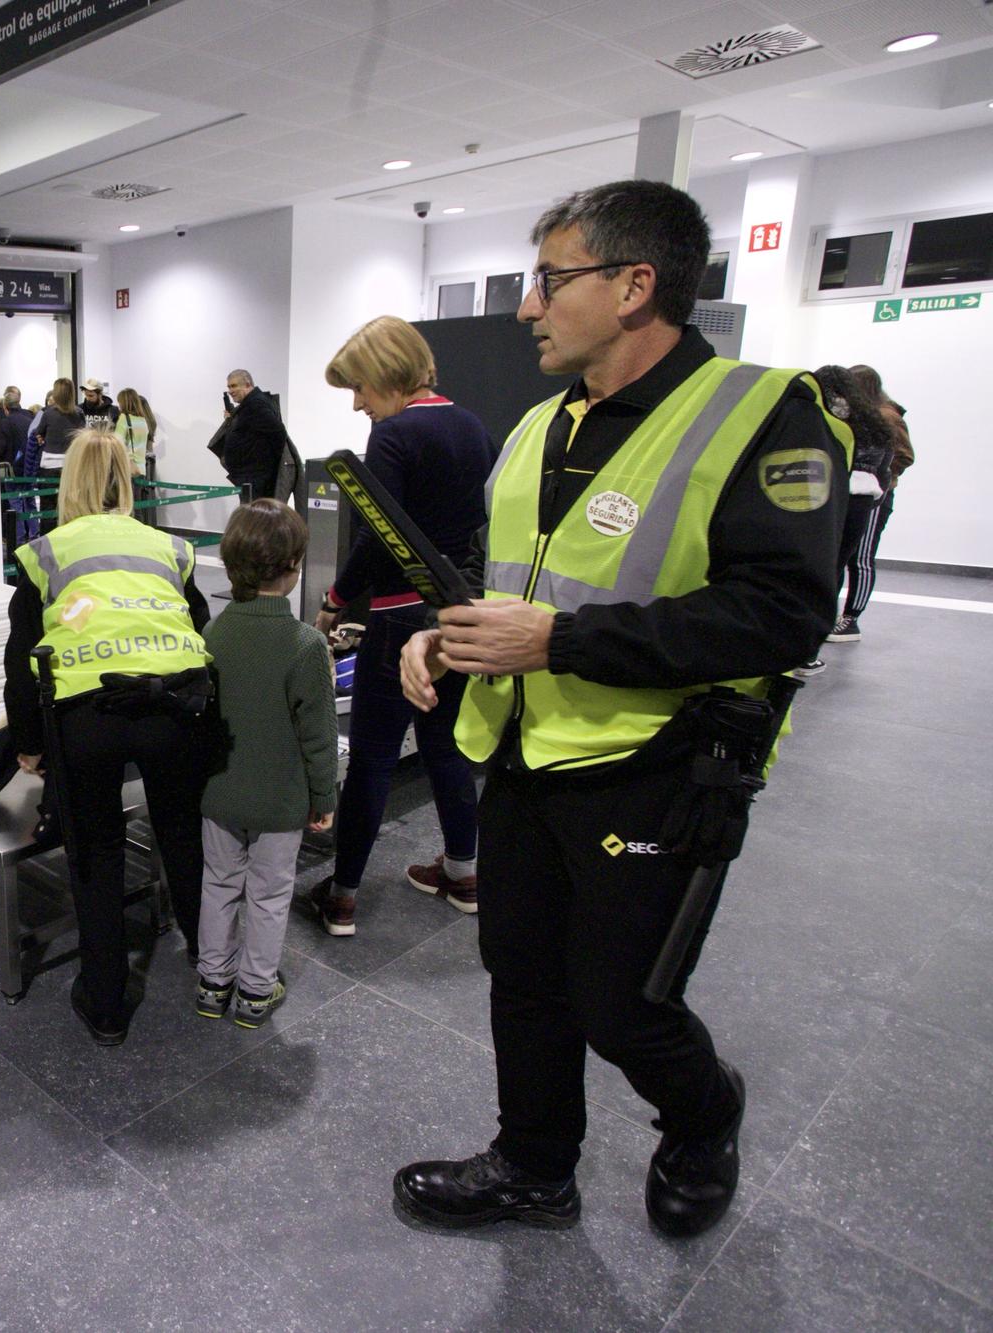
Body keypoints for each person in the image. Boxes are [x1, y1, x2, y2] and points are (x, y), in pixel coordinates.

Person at [392, 179, 849, 1239]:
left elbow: (781, 616)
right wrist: (442, 632)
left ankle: (703, 1113)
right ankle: (533, 1164)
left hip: (658, 765)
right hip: (520, 754)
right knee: (519, 975)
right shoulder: (538, 426)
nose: (524, 307)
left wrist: (555, 641)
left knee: (622, 1004)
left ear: (634, 285)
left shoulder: (758, 414)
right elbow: (496, 570)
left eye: (548, 280)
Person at [4, 428, 213, 1045]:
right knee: (182, 836)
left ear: (67, 484)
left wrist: (29, 741)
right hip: (173, 709)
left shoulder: (46, 553)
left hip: (86, 716)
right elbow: (198, 623)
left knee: (94, 854)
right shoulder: (169, 547)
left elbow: (21, 658)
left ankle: (105, 1003)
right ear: (129, 480)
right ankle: (211, 961)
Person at [312, 316, 492, 936]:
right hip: (457, 614)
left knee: (372, 759)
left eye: (359, 387)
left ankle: (341, 896)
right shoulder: (472, 426)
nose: (359, 403)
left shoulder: (393, 436)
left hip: (394, 619)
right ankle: (465, 873)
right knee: (447, 746)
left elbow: (375, 537)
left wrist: (335, 598)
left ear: (386, 374)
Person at [196, 499, 337, 1028]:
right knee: (271, 892)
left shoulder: (214, 635)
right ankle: (256, 991)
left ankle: (213, 982)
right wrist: (324, 798)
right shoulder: (305, 645)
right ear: (295, 565)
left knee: (219, 882)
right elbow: (319, 737)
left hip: (221, 792)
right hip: (281, 800)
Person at [824, 364, 912, 646]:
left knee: (860, 558)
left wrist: (878, 476)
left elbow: (904, 456)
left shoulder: (886, 416)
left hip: (874, 494)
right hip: (856, 492)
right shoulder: (860, 415)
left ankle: (851, 619)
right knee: (842, 558)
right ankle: (833, 617)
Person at [211, 370, 289, 502]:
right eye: (229, 387)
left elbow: (279, 433)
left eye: (234, 386)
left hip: (256, 480)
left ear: (247, 385)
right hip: (250, 478)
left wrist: (264, 467)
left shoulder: (255, 404)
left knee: (256, 520)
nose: (230, 391)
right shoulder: (248, 405)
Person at [114, 386, 154, 474]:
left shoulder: (124, 418)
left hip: (127, 468)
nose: (119, 405)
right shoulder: (143, 420)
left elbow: (117, 443)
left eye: (120, 402)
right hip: (141, 469)